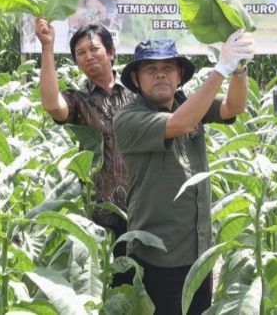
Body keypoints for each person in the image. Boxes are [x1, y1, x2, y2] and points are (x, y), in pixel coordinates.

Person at [113, 32, 254, 314]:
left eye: (168, 68)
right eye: (150, 70)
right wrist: (220, 69)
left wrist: (238, 71)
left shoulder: (188, 104)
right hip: (159, 254)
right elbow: (180, 122)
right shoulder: (128, 118)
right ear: (136, 80)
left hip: (198, 249)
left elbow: (233, 107)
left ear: (179, 76)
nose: (160, 75)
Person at [36, 18, 135, 286]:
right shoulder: (79, 101)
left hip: (144, 209)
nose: (88, 56)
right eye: (80, 53)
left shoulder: (137, 93)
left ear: (111, 52)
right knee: (109, 286)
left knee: (144, 287)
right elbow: (52, 104)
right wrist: (47, 48)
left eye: (94, 49)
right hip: (101, 213)